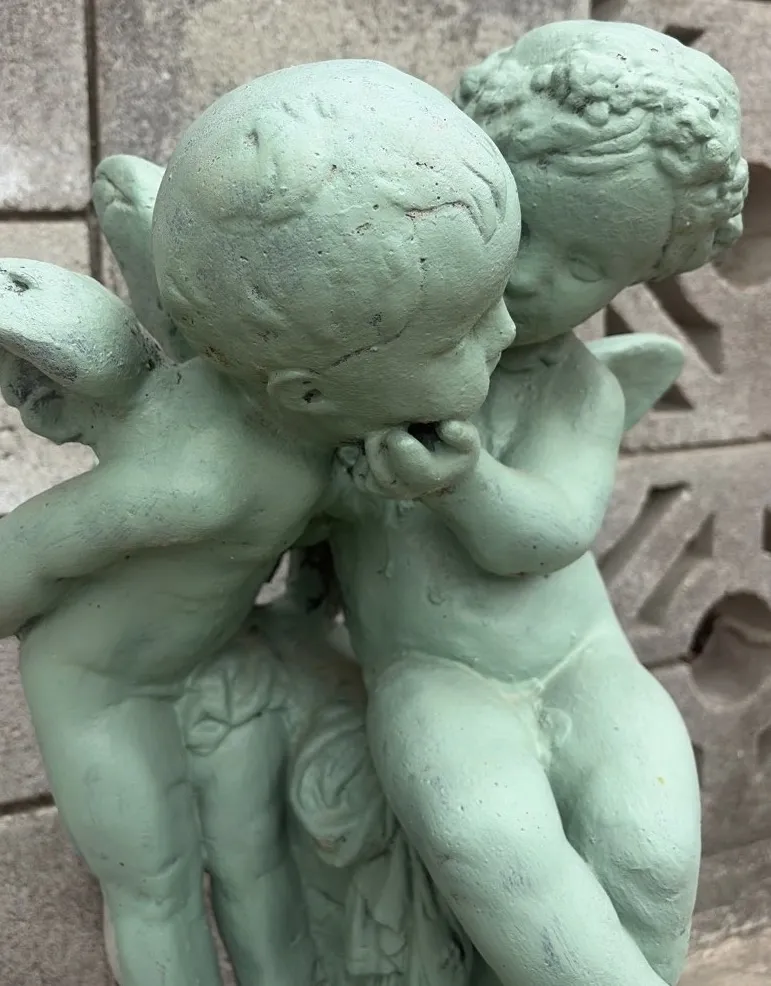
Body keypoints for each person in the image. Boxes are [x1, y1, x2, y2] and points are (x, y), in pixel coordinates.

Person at [0, 58, 520, 986]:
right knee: (155, 886)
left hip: (218, 660)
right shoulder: (192, 480)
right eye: (462, 333)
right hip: (103, 691)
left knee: (258, 874)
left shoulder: (303, 413)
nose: (507, 334)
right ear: (307, 389)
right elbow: (25, 560)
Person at [317, 21, 747, 986]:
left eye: (584, 265)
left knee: (648, 857)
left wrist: (464, 481)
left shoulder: (578, 389)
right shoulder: (359, 369)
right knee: (491, 843)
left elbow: (549, 531)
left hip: (584, 664)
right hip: (435, 673)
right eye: (518, 222)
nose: (529, 272)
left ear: (634, 280)